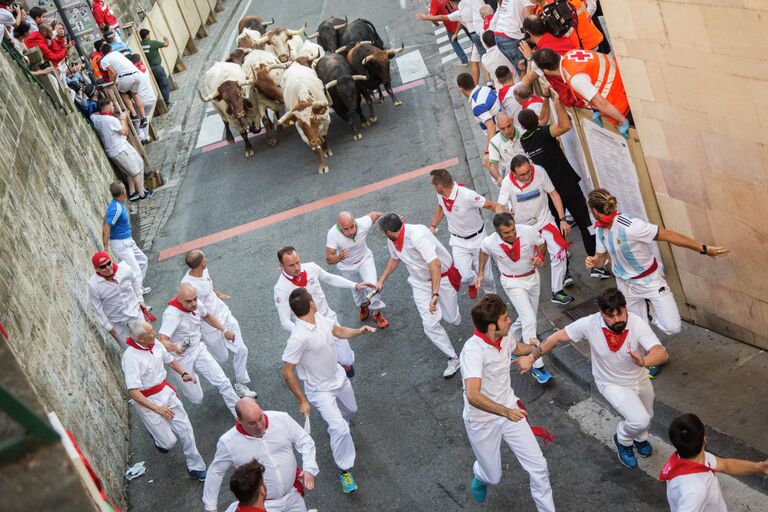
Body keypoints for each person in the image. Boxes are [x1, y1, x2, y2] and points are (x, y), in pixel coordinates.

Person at [517, 288, 669, 469]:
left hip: (639, 378)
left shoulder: (637, 324)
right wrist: (532, 357)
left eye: (620, 313)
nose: (617, 320)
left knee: (647, 416)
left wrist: (644, 361)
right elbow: (556, 338)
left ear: (625, 307)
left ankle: (640, 439)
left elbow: (661, 353)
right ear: (601, 313)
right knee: (639, 420)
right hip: (611, 383)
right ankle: (623, 440)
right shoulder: (589, 324)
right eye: (610, 316)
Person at [586, 189, 729, 372]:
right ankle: (651, 358)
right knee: (636, 327)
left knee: (673, 327)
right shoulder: (600, 229)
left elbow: (669, 235)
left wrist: (703, 248)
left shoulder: (632, 226)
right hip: (626, 286)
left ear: (595, 211)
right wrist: (594, 261)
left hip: (651, 282)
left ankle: (649, 312)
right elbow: (601, 257)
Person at [460, 295, 554, 508]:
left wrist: (533, 351)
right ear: (492, 327)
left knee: (539, 467)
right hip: (482, 420)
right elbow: (473, 396)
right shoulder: (473, 351)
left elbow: (516, 348)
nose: (510, 320)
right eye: (505, 318)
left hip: (510, 410)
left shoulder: (503, 337)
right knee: (494, 476)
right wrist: (505, 412)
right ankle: (480, 473)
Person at [281, 288, 375, 494]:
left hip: (339, 379)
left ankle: (340, 427)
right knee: (340, 428)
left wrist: (359, 331)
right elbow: (287, 372)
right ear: (312, 303)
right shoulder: (298, 337)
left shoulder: (319, 319)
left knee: (350, 411)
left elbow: (339, 332)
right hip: (320, 391)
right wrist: (302, 400)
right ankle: (345, 470)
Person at [518, 91, 611, 280]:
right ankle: (595, 264)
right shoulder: (545, 133)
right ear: (535, 120)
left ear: (522, 126)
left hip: (550, 193)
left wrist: (545, 99)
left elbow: (541, 121)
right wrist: (557, 102)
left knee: (558, 232)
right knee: (586, 224)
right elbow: (565, 125)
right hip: (567, 186)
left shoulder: (525, 140)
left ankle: (565, 272)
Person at [376, 213, 462, 378]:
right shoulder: (392, 240)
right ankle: (453, 357)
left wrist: (435, 294)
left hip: (442, 278)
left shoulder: (417, 236)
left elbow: (435, 264)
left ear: (388, 231)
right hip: (420, 283)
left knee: (451, 318)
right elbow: (395, 259)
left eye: (382, 232)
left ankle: (453, 314)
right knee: (430, 324)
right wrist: (381, 280)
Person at [121, 321, 207, 480]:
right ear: (140, 339)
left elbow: (170, 360)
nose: (154, 333)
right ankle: (159, 441)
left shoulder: (155, 343)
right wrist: (157, 409)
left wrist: (184, 374)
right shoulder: (131, 358)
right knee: (169, 443)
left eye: (152, 330)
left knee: (186, 430)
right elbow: (133, 392)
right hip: (147, 402)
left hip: (166, 394)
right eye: (150, 332)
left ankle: (196, 467)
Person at [477, 213, 554, 383]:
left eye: (512, 230)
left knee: (528, 317)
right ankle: (537, 366)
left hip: (533, 278)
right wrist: (481, 272)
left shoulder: (527, 231)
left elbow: (542, 244)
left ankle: (509, 343)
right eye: (506, 233)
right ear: (498, 232)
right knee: (529, 320)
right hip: (512, 282)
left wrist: (541, 256)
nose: (511, 234)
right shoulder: (490, 242)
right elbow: (483, 251)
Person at [204, 398, 318, 512]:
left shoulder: (281, 419)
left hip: (293, 495)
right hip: (265, 505)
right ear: (239, 420)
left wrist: (309, 468)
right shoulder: (228, 442)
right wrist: (211, 506)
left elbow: (305, 441)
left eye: (260, 418)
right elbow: (216, 471)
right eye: (252, 423)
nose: (259, 426)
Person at [274, 246, 374, 377]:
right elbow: (284, 321)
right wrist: (304, 331)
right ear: (281, 266)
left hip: (328, 319)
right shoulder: (281, 288)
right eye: (291, 265)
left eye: (298, 262)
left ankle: (340, 365)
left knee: (347, 360)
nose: (297, 267)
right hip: (310, 331)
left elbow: (330, 278)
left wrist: (354, 285)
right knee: (324, 369)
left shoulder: (311, 267)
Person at [497, 155, 574, 305]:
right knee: (526, 264)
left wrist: (563, 220)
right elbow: (500, 206)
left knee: (560, 253)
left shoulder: (539, 172)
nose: (526, 176)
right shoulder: (507, 183)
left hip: (545, 222)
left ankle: (557, 291)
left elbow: (554, 194)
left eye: (528, 172)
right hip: (524, 229)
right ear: (513, 173)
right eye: (522, 175)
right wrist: (504, 216)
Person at [157, 283, 241, 417]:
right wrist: (174, 347)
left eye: (195, 299)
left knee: (223, 381)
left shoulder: (196, 304)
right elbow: (161, 339)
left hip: (198, 349)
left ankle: (240, 414)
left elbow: (206, 316)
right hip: (181, 359)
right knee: (197, 399)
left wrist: (224, 330)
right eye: (189, 301)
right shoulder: (171, 314)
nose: (194, 303)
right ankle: (191, 376)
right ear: (179, 299)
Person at [182, 250, 256, 399]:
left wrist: (217, 294)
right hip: (209, 326)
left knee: (241, 349)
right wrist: (222, 330)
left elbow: (209, 285)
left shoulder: (204, 270)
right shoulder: (188, 286)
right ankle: (201, 352)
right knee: (222, 358)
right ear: (202, 262)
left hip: (224, 314)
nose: (206, 261)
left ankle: (241, 384)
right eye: (205, 259)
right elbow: (203, 315)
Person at [661, 413, 768, 512]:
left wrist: (760, 467)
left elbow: (726, 465)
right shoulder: (695, 491)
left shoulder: (685, 460)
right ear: (705, 439)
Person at [429, 168, 499, 298]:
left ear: (439, 186)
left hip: (478, 240)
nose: (433, 187)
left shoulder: (467, 195)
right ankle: (472, 282)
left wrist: (505, 219)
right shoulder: (441, 194)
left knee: (487, 278)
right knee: (463, 276)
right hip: (458, 241)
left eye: (433, 185)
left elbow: (490, 205)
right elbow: (441, 207)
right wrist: (433, 226)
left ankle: (493, 301)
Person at [533, 48, 631, 137]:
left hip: (624, 100)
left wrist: (623, 121)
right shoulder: (571, 54)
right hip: (626, 77)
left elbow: (601, 103)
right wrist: (596, 109)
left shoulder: (575, 79)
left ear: (546, 72)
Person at [325, 211, 389, 329]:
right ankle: (363, 306)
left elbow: (375, 215)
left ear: (355, 222)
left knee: (373, 286)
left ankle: (377, 313)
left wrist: (391, 217)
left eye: (352, 226)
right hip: (346, 266)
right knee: (356, 290)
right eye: (346, 229)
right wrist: (339, 257)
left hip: (365, 260)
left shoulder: (362, 223)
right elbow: (329, 259)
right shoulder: (332, 234)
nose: (351, 231)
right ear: (339, 227)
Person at [91, 100, 153, 201]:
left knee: (136, 165)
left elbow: (93, 114)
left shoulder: (96, 118)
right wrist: (123, 119)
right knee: (135, 171)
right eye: (111, 105)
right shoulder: (111, 120)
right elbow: (124, 132)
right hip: (119, 149)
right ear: (106, 106)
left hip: (120, 147)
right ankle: (142, 194)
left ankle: (133, 193)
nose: (113, 107)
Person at [417, 0, 486, 84]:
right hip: (470, 25)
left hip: (454, 25)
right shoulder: (464, 8)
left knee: (455, 43)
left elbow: (439, 17)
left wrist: (430, 20)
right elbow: (459, 20)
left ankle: (465, 61)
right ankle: (484, 82)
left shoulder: (436, 2)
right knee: (476, 53)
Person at [101, 181, 151, 296]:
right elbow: (107, 227)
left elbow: (105, 219)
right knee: (135, 271)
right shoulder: (116, 209)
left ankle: (138, 289)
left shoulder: (118, 203)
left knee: (143, 261)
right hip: (121, 244)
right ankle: (138, 300)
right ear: (122, 192)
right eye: (125, 188)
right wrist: (105, 247)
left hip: (128, 240)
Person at [519, 15, 579, 107]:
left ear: (528, 33)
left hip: (574, 96)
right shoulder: (564, 39)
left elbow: (522, 87)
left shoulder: (542, 56)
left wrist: (529, 58)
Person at [88, 251, 145, 345]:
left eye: (108, 263)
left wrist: (140, 299)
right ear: (96, 269)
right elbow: (96, 307)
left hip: (135, 313)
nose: (107, 267)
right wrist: (108, 327)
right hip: (117, 323)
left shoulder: (125, 269)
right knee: (130, 348)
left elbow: (135, 281)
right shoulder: (94, 284)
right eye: (102, 266)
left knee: (147, 340)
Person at [99, 43, 147, 127]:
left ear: (102, 53)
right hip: (136, 74)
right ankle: (143, 118)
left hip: (126, 77)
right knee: (135, 94)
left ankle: (134, 114)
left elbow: (113, 72)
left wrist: (113, 83)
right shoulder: (117, 53)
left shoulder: (104, 60)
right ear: (111, 49)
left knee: (122, 93)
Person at [456, 72, 499, 167]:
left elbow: (491, 126)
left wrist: (488, 152)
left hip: (498, 138)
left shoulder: (478, 105)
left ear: (461, 89)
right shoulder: (485, 89)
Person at [489, 0, 535, 74]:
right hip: (511, 36)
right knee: (526, 69)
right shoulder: (528, 1)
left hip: (500, 33)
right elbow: (529, 23)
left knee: (521, 69)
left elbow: (500, 9)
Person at [487, 111, 523, 187]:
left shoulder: (524, 132)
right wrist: (499, 178)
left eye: (509, 126)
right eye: (502, 128)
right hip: (511, 180)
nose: (507, 131)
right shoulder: (494, 142)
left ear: (513, 121)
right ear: (497, 127)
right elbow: (492, 165)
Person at [139, 28, 172, 107]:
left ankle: (164, 102)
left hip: (149, 69)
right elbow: (166, 44)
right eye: (148, 34)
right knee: (164, 84)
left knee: (158, 85)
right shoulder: (152, 43)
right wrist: (166, 39)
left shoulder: (141, 44)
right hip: (157, 68)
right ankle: (167, 103)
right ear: (146, 36)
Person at [127, 53, 156, 144]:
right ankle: (146, 136)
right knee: (145, 116)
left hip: (141, 99)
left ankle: (141, 137)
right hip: (151, 97)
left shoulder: (133, 72)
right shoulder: (145, 68)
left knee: (137, 117)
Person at [429, 0, 468, 65]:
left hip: (450, 23)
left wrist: (435, 23)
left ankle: (464, 60)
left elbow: (432, 17)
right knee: (470, 33)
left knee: (454, 42)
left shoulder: (434, 1)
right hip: (460, 17)